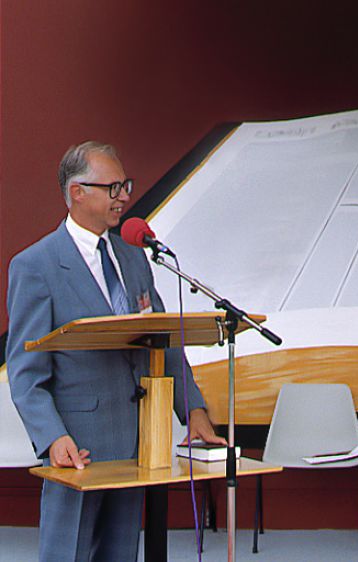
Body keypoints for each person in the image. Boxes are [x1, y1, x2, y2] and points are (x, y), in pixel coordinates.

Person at [6, 141, 226, 562]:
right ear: (77, 192)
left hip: (137, 442)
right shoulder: (36, 266)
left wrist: (194, 410)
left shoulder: (134, 257)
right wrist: (52, 437)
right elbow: (25, 371)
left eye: (125, 185)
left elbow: (164, 340)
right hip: (77, 448)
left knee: (121, 554)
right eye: (112, 188)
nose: (123, 196)